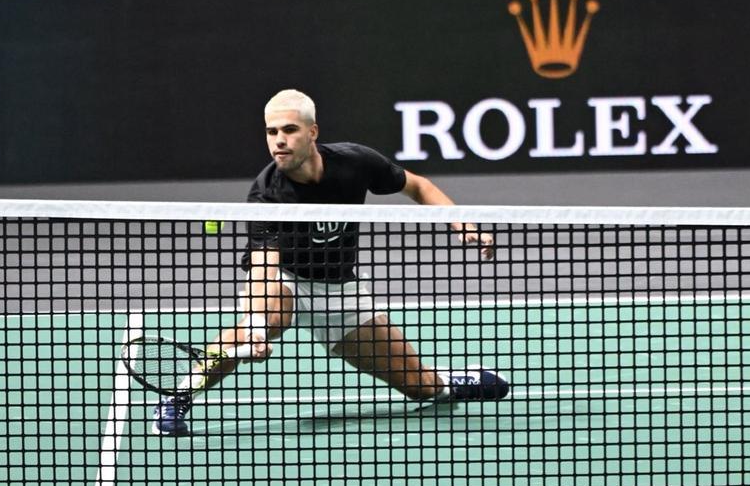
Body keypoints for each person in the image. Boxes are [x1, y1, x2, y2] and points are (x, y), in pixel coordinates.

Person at [152, 89, 510, 436]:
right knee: (260, 324)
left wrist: (463, 225)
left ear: (312, 132)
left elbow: (419, 186)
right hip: (287, 280)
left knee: (419, 387)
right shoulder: (267, 195)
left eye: (289, 130)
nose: (279, 141)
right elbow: (263, 268)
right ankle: (177, 397)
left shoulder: (355, 162)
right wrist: (258, 327)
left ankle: (447, 381)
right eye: (271, 132)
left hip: (340, 290)